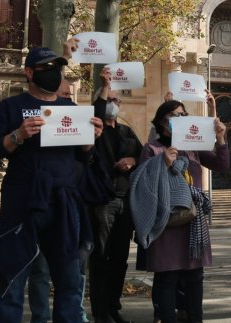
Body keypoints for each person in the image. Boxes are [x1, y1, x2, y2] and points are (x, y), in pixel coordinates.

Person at [0, 47, 103, 322]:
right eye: (46, 68)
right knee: (13, 279)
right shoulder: (11, 107)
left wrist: (88, 142)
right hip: (21, 203)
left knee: (69, 281)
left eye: (57, 68)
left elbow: (83, 157)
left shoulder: (72, 110)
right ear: (29, 73)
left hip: (63, 203)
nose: (53, 74)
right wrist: (18, 134)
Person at [136, 96, 229, 323]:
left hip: (192, 222)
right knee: (167, 277)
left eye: (183, 115)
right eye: (174, 115)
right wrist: (163, 164)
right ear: (161, 122)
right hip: (165, 224)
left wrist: (220, 137)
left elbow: (222, 165)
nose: (179, 119)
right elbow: (141, 184)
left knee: (195, 277)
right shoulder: (152, 149)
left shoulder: (193, 148)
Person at [28, 79, 91, 323]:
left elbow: (85, 159)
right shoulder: (38, 121)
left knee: (71, 271)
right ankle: (41, 318)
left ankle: (74, 315)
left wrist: (88, 143)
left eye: (69, 96)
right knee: (41, 270)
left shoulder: (76, 121)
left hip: (68, 206)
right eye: (63, 95)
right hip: (41, 202)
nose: (68, 100)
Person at [89, 67, 142, 323]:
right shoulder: (95, 130)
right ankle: (100, 312)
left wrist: (132, 159)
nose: (113, 104)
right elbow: (97, 109)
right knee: (100, 257)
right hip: (102, 201)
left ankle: (113, 306)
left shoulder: (127, 132)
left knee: (120, 258)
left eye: (116, 100)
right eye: (109, 100)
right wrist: (105, 85)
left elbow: (143, 157)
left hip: (125, 202)